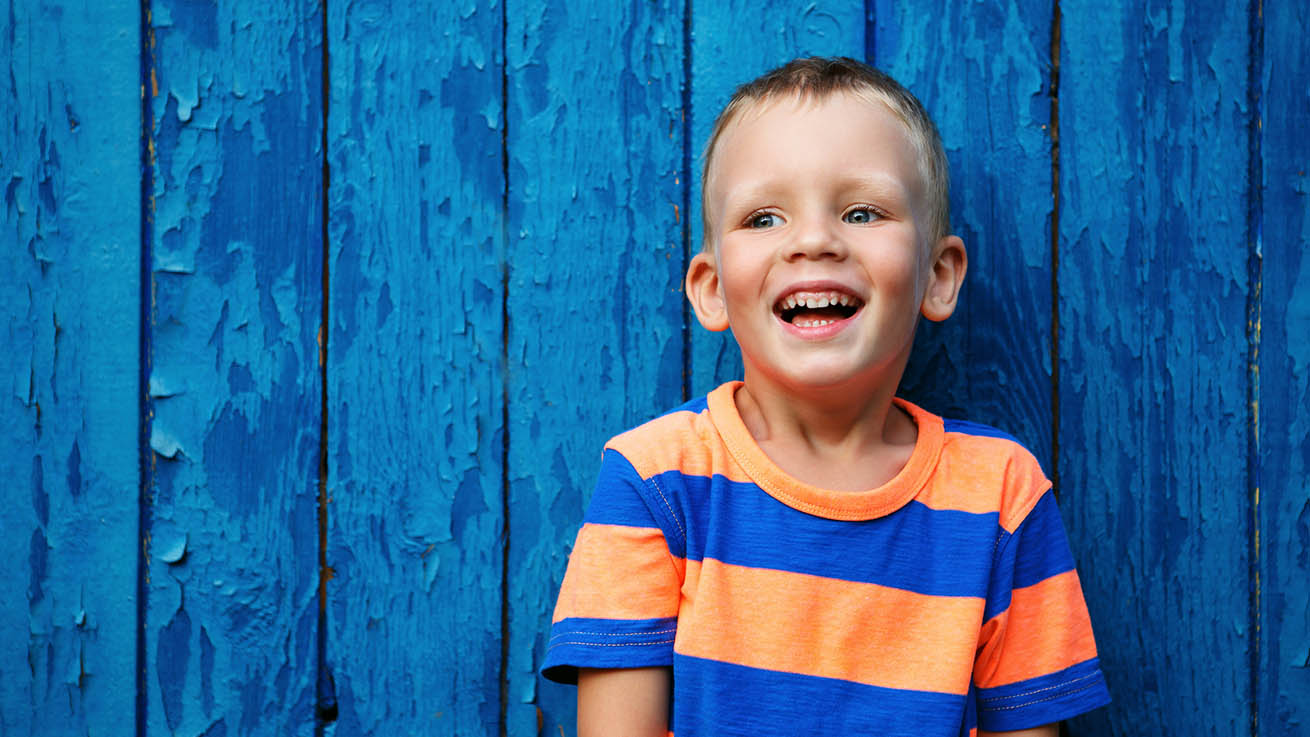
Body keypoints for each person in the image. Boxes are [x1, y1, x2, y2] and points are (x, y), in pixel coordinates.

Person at [541, 56, 1110, 736]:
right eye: (763, 218)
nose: (813, 240)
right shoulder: (656, 480)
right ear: (712, 288)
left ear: (938, 275)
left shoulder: (1002, 496)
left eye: (862, 211)